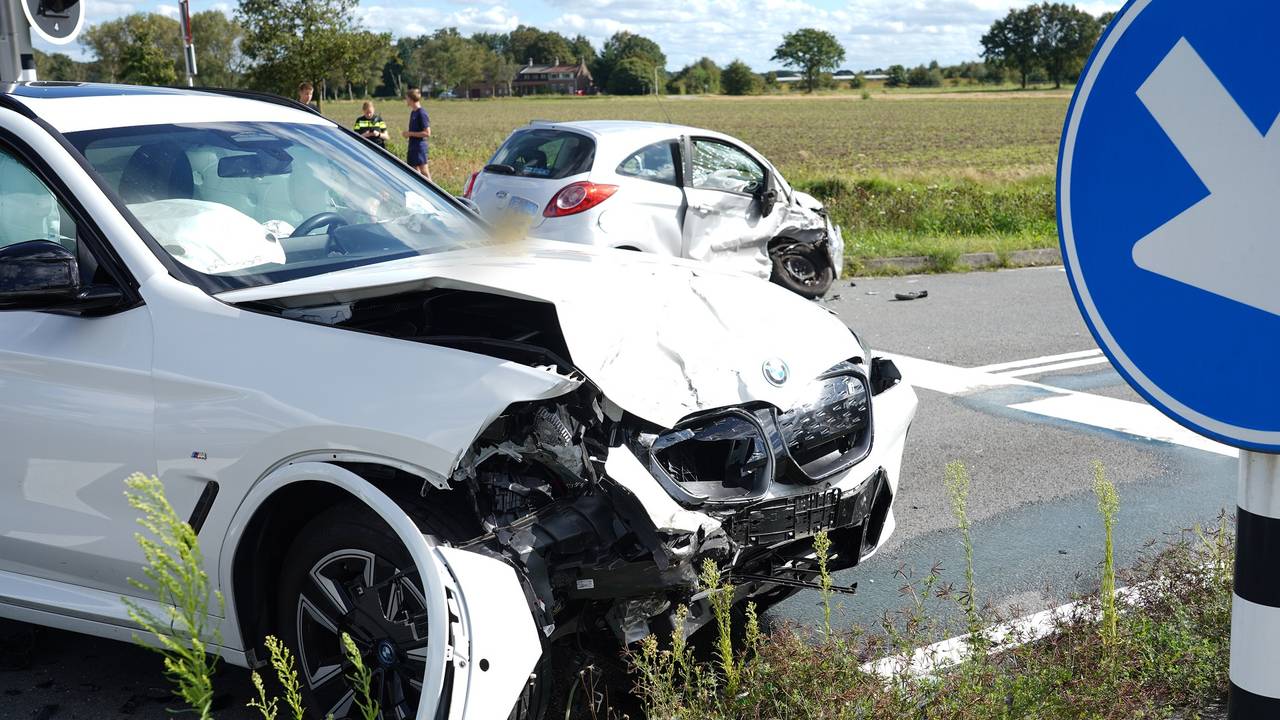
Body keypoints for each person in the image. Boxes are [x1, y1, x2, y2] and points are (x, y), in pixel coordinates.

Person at [401, 88, 431, 180]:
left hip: (419, 147)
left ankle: (432, 191)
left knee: (424, 171)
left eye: (407, 98)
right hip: (412, 146)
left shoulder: (421, 113)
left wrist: (410, 133)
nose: (406, 100)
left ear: (411, 99)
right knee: (414, 171)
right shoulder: (413, 112)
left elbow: (427, 133)